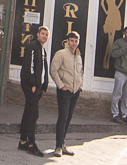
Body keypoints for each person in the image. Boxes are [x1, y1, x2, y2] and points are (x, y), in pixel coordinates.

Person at [17, 26, 50, 156]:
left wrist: (44, 84)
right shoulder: (32, 47)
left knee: (28, 111)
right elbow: (29, 66)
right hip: (31, 85)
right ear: (37, 34)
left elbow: (43, 68)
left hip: (38, 86)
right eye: (42, 34)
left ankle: (23, 141)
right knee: (34, 114)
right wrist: (33, 83)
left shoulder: (42, 50)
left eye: (46, 34)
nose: (44, 36)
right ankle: (32, 144)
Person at [51, 31, 84, 157]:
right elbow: (53, 70)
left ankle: (63, 143)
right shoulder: (61, 54)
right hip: (65, 90)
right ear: (67, 41)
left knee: (69, 118)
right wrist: (61, 85)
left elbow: (80, 72)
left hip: (75, 91)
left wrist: (80, 86)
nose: (74, 43)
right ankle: (58, 146)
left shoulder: (79, 56)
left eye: (76, 41)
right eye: (71, 41)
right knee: (63, 117)